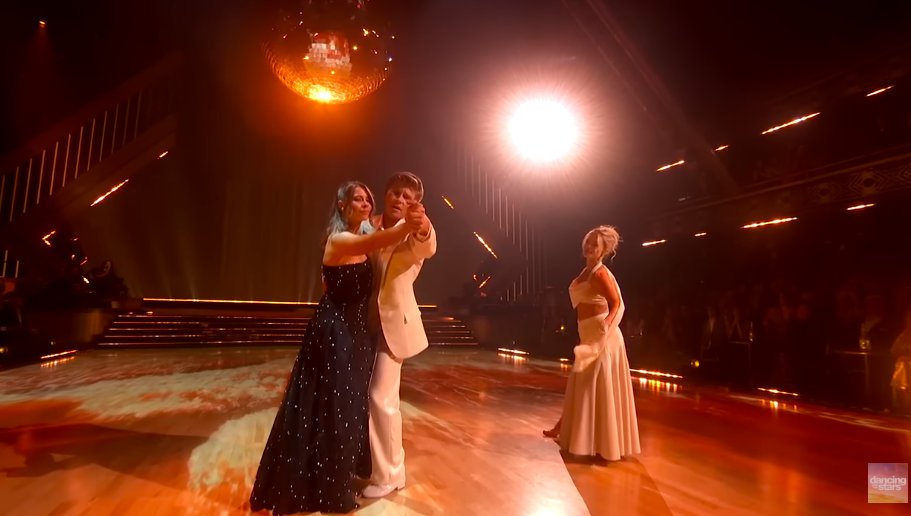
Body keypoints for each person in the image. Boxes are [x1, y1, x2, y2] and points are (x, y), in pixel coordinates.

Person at [249, 181, 423, 514]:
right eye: (358, 199)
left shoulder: (364, 239)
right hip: (335, 334)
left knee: (345, 412)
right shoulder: (341, 239)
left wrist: (416, 224)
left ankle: (334, 479)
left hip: (356, 334)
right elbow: (377, 238)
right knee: (330, 410)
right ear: (342, 206)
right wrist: (405, 225)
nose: (366, 203)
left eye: (368, 199)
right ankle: (321, 489)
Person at [362, 172, 436, 498]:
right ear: (386, 193)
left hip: (394, 326)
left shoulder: (413, 231)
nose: (399, 200)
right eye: (395, 193)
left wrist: (420, 223)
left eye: (407, 197)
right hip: (361, 325)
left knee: (381, 397)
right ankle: (381, 468)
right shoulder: (369, 226)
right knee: (367, 399)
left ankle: (388, 475)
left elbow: (428, 242)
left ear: (416, 204)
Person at [543, 225, 640, 461]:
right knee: (581, 382)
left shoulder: (600, 274)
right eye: (587, 242)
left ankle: (603, 443)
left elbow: (616, 303)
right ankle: (563, 426)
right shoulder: (586, 272)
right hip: (588, 333)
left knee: (592, 385)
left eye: (594, 245)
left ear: (603, 250)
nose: (589, 247)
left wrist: (605, 325)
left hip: (602, 336)